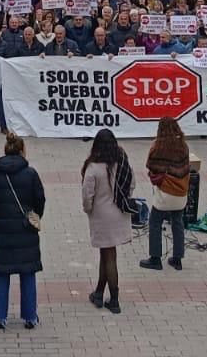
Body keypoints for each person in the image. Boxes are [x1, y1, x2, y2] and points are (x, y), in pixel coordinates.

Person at [0, 131, 44, 330]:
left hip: (2, 231)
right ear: (22, 151)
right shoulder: (31, 173)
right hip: (26, 231)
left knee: (2, 273)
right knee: (27, 273)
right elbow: (40, 200)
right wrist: (34, 217)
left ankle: (1, 317)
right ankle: (30, 317)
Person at [80, 128, 134, 314]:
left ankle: (115, 300)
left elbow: (87, 195)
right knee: (107, 253)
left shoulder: (93, 167)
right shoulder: (121, 162)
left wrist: (88, 210)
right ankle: (98, 292)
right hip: (119, 213)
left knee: (109, 256)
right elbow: (131, 184)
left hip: (101, 215)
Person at [139, 117, 190, 271]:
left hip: (165, 193)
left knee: (155, 222)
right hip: (181, 193)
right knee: (177, 223)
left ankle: (155, 259)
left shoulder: (158, 146)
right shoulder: (183, 146)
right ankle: (177, 259)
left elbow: (150, 165)